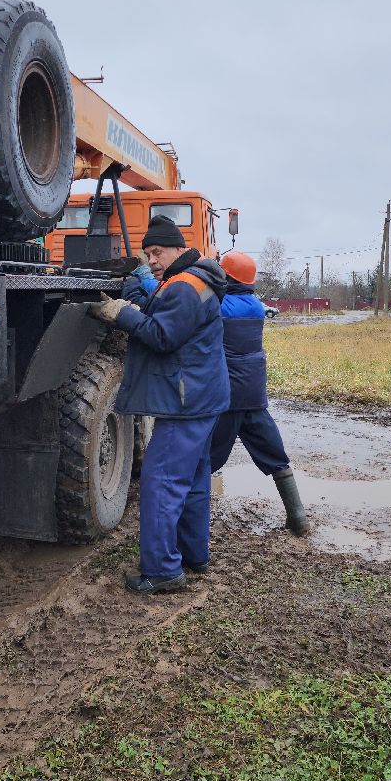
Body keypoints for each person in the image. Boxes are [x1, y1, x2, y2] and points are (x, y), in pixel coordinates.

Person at [89, 214, 230, 593]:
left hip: (186, 404)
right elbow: (160, 310)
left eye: (158, 252)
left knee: (161, 483)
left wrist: (122, 314)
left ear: (178, 248)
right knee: (194, 480)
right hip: (204, 398)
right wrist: (135, 294)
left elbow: (163, 335)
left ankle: (163, 570)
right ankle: (194, 555)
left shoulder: (183, 286)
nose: (152, 260)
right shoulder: (190, 279)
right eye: (147, 254)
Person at [210, 249, 308, 534]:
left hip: (227, 397)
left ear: (227, 277)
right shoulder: (255, 306)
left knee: (206, 459)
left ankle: (191, 520)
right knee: (275, 454)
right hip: (254, 396)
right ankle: (298, 518)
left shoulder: (219, 305)